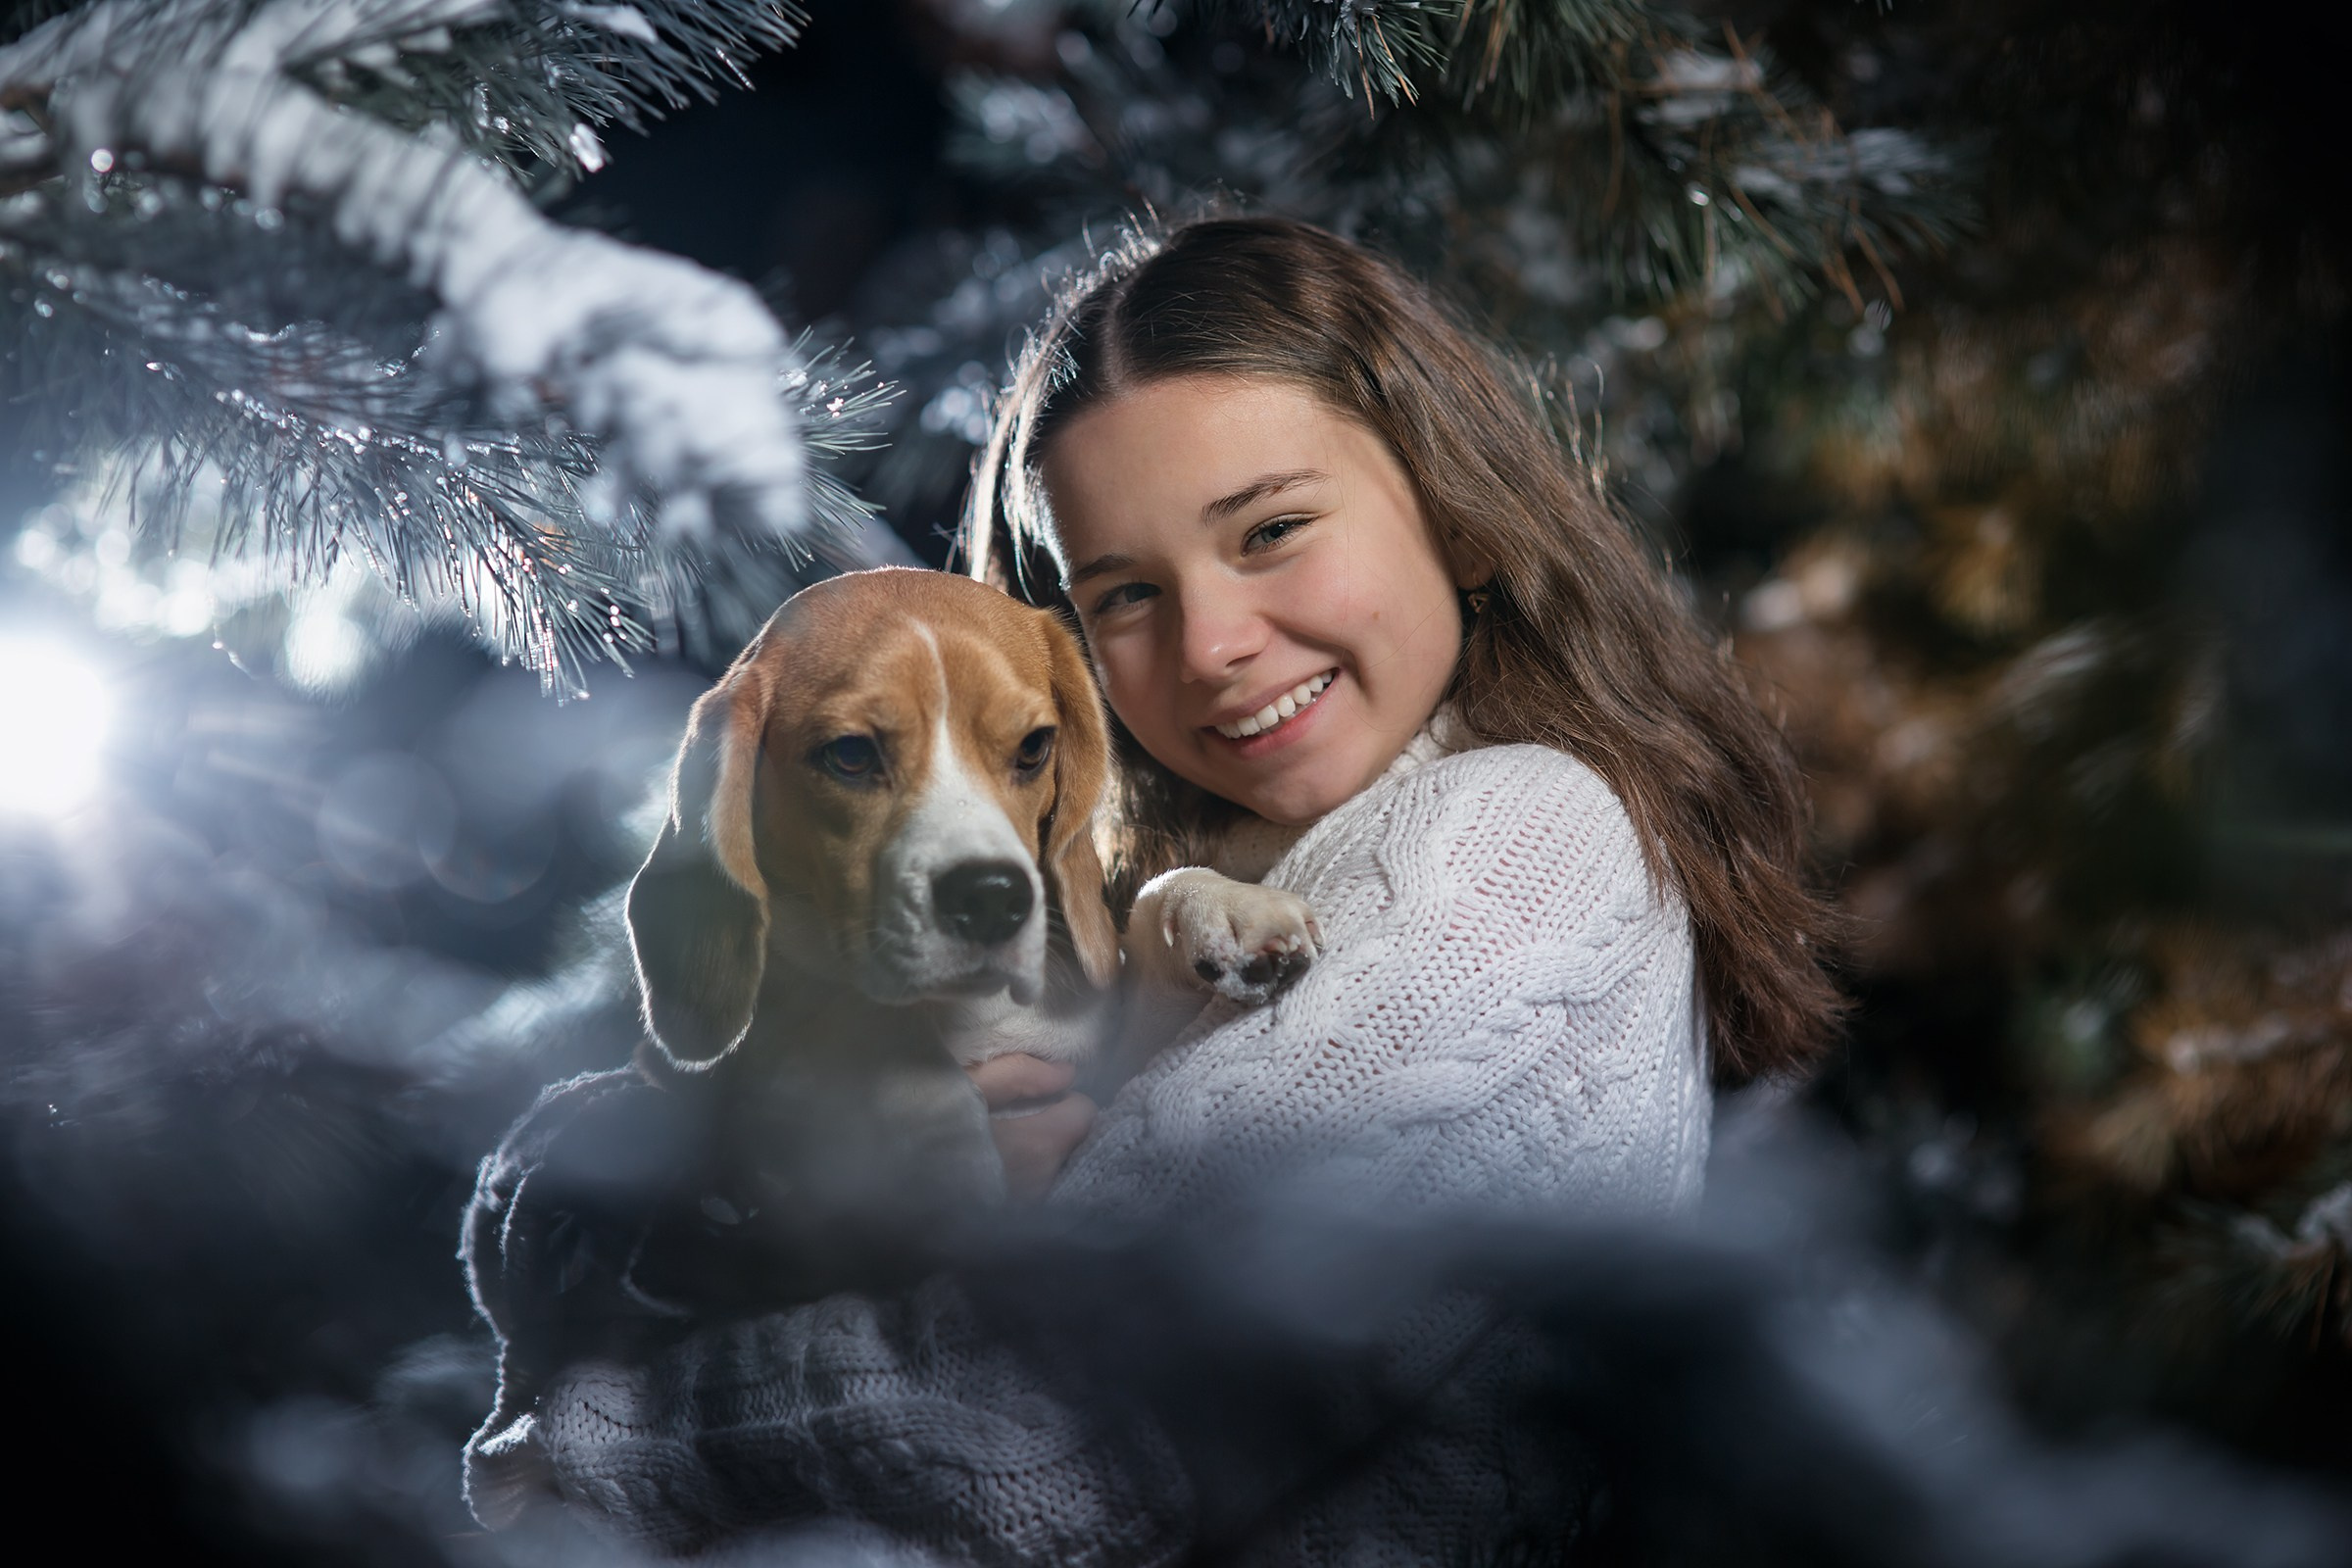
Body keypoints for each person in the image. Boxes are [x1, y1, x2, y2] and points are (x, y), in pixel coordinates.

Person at [462, 216, 1843, 1563]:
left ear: (1459, 515)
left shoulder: (1521, 840)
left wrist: (595, 1445)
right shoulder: (1141, 877)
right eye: (1123, 595)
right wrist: (793, 1187)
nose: (1215, 643)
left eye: (1272, 530)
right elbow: (595, 1167)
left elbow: (1061, 1404)